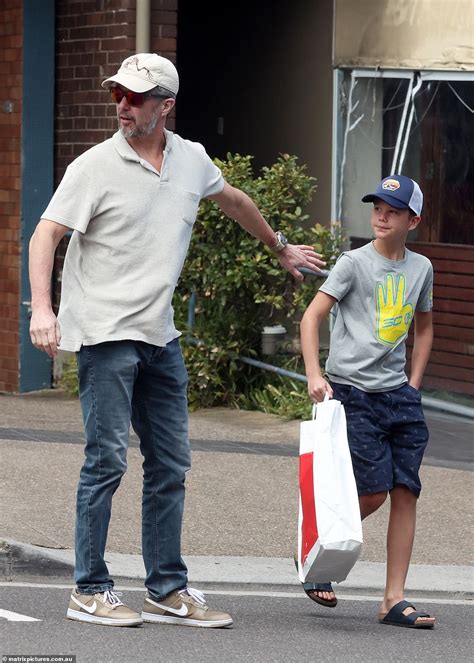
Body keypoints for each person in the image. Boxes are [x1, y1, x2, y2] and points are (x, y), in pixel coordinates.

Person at [28, 52, 325, 628]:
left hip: (160, 338)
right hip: (107, 336)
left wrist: (279, 244)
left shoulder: (191, 159)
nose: (122, 105)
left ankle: (166, 589)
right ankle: (88, 589)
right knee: (107, 459)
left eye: (136, 97)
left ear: (166, 105)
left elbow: (233, 200)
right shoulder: (94, 166)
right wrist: (43, 307)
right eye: (118, 94)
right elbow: (46, 234)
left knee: (171, 464)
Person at [299, 175, 436, 629]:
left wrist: (413, 384)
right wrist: (315, 375)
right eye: (377, 207)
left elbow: (424, 327)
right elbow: (312, 317)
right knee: (373, 491)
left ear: (412, 220)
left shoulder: (422, 269)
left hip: (399, 396)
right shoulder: (352, 264)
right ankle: (315, 546)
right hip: (354, 392)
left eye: (393, 210)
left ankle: (392, 599)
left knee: (405, 492)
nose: (381, 216)